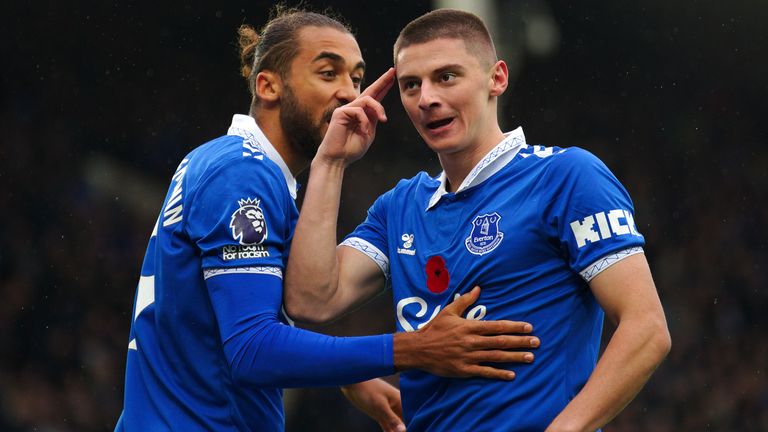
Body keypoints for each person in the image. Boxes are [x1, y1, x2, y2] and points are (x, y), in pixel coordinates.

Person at [114, 7, 540, 432]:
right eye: (327, 73)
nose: (348, 94)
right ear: (268, 86)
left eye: (356, 78)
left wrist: (352, 375)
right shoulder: (242, 173)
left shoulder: (227, 163)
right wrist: (413, 348)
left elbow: (241, 311)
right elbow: (252, 350)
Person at [284, 8, 672, 432]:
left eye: (446, 76)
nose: (426, 98)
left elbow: (646, 329)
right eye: (411, 84)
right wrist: (331, 161)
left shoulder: (566, 177)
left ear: (497, 79)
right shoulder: (400, 205)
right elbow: (311, 301)